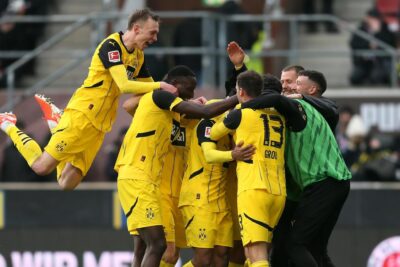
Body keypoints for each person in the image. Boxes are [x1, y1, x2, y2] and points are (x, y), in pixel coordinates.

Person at [0, 8, 178, 190]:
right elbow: (125, 85)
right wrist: (160, 86)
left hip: (99, 126)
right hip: (83, 115)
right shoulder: (112, 46)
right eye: (152, 33)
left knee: (66, 183)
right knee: (41, 167)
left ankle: (56, 123)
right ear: (137, 29)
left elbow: (148, 87)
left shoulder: (137, 56)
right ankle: (8, 124)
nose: (155, 39)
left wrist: (174, 97)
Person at [115, 65, 240, 267]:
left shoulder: (178, 117)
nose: (193, 94)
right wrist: (241, 96)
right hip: (145, 180)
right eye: (189, 89)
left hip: (170, 188)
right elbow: (128, 105)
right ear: (174, 86)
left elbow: (213, 109)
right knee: (161, 248)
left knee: (153, 248)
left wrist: (238, 71)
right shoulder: (158, 101)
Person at [242, 70, 352, 267]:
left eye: (293, 83)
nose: (288, 87)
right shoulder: (309, 108)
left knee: (295, 244)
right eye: (283, 82)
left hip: (322, 183)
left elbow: (278, 100)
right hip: (334, 183)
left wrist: (243, 106)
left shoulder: (296, 106)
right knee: (315, 249)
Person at [210, 70, 306, 267]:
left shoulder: (240, 114)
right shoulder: (280, 115)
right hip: (278, 192)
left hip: (253, 188)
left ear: (241, 92)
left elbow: (213, 133)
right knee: (256, 252)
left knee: (256, 253)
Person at [179, 100, 255, 267]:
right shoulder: (207, 124)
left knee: (222, 255)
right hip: (199, 198)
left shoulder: (230, 134)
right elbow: (209, 155)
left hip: (221, 200)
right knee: (203, 259)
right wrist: (233, 155)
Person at [349, 8, 397, 86]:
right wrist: (368, 45)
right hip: (364, 61)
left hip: (381, 61)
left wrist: (377, 32)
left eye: (375, 18)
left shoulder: (385, 28)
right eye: (370, 18)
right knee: (355, 78)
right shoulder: (361, 29)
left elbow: (391, 44)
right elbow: (354, 44)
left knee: (378, 76)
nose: (372, 21)